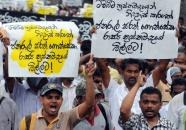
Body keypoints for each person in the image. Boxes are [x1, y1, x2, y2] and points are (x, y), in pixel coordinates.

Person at [19, 55, 96, 130]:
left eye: (57, 97)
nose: (54, 100)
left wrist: (89, 77)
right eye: (49, 97)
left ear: (62, 100)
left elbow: (89, 104)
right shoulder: (27, 121)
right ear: (41, 99)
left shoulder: (67, 117)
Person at [96, 58, 169, 130]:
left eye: (136, 71)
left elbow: (161, 68)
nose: (132, 75)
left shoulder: (146, 89)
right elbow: (103, 69)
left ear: (140, 73)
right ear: (122, 72)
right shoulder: (113, 89)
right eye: (129, 71)